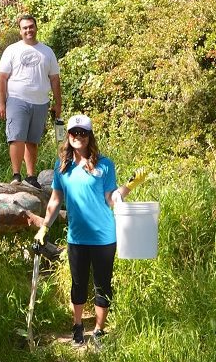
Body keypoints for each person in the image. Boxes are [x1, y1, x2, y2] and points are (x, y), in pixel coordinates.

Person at [29, 114, 146, 346]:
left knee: (102, 284)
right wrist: (43, 228)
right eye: (74, 132)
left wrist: (130, 185)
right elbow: (55, 200)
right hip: (77, 237)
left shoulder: (105, 164)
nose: (77, 137)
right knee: (78, 284)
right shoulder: (62, 166)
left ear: (89, 136)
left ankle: (99, 331)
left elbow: (111, 199)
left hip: (104, 237)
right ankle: (78, 326)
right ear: (68, 136)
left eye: (83, 133)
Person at [0, 14, 63, 188]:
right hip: (17, 99)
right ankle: (16, 175)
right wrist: (1, 102)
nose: (28, 30)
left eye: (31, 27)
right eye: (25, 28)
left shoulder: (47, 51)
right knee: (16, 137)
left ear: (36, 28)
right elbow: (2, 78)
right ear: (20, 31)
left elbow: (55, 79)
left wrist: (58, 104)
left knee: (32, 140)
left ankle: (31, 176)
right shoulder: (12, 50)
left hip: (41, 101)